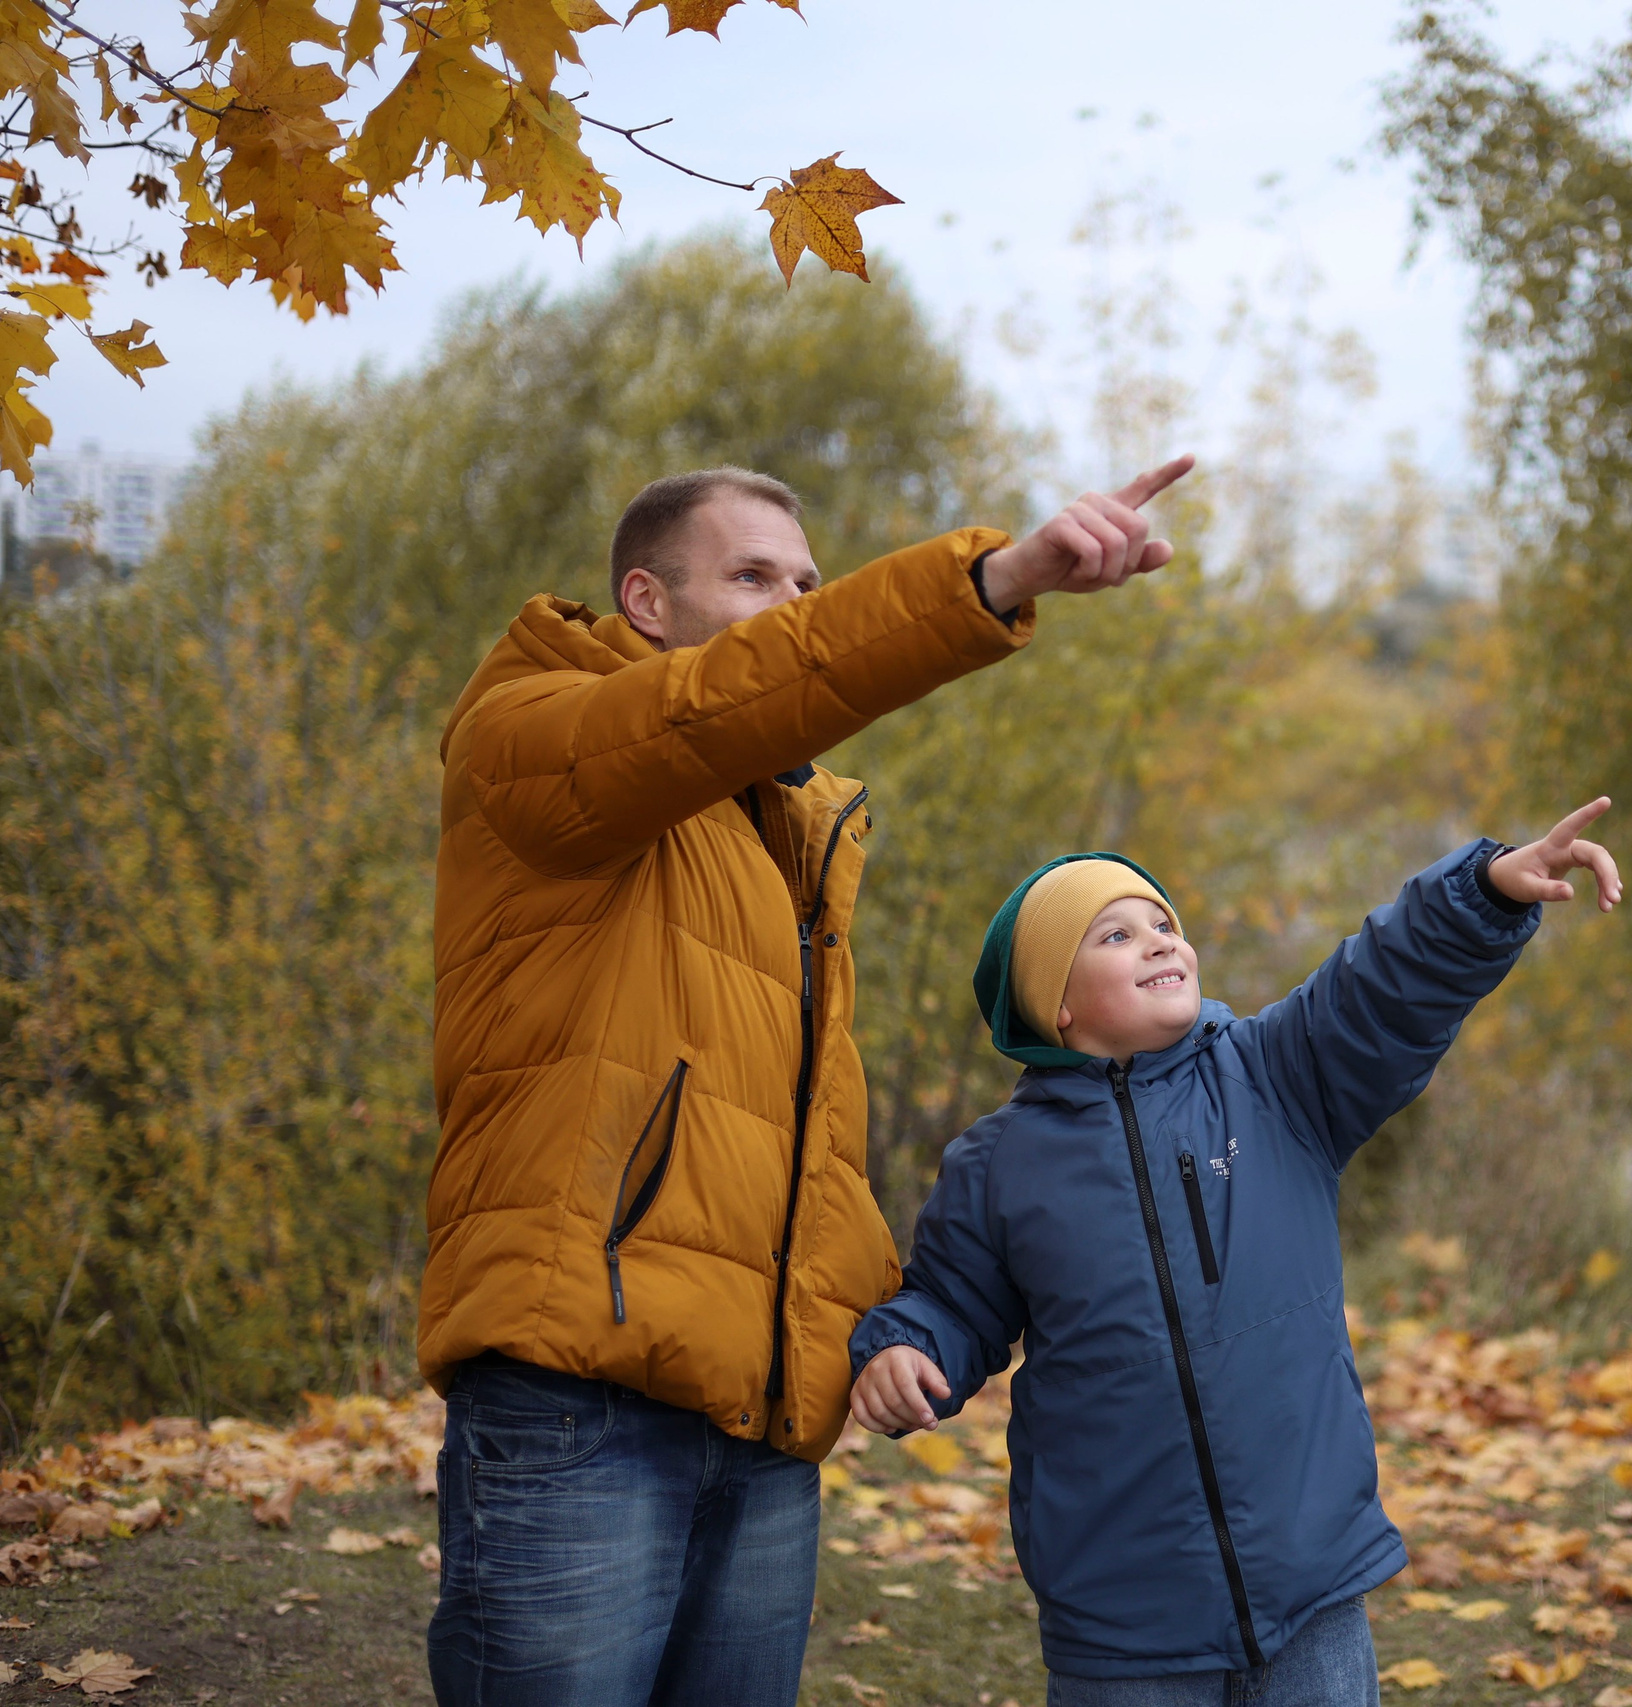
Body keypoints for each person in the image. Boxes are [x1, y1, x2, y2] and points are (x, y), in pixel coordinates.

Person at [420, 454, 1194, 1707]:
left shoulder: (784, 833)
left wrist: (877, 1329)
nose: (791, 603)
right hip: (582, 1400)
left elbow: (790, 1136)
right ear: (646, 603)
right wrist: (990, 581)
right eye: (751, 575)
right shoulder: (533, 743)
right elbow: (721, 703)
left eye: (807, 581)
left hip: (766, 1420)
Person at [845, 799, 1625, 1705]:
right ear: (1053, 1002)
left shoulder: (1278, 1077)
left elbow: (1379, 989)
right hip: (1121, 1610)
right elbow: (953, 1298)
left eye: (1165, 923)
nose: (1158, 941)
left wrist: (1480, 895)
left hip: (1309, 1574)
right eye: (1116, 933)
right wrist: (906, 1348)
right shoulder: (997, 1164)